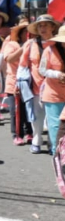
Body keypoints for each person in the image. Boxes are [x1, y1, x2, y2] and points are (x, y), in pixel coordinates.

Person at [21, 15, 58, 153]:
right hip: (35, 86)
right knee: (36, 115)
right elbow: (23, 65)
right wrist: (20, 83)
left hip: (55, 87)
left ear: (52, 27)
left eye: (46, 25)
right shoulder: (30, 44)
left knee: (52, 117)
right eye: (40, 25)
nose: (43, 28)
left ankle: (51, 141)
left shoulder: (59, 43)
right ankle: (37, 138)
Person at [0, 21, 30, 145]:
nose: (28, 34)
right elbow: (9, 59)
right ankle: (17, 134)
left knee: (28, 110)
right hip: (14, 83)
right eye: (25, 31)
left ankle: (29, 132)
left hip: (30, 83)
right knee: (16, 111)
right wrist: (23, 48)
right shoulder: (12, 44)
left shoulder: (34, 45)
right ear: (20, 33)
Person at [39, 26, 65, 156]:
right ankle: (57, 154)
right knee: (55, 127)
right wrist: (57, 74)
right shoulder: (49, 51)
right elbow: (42, 70)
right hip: (53, 95)